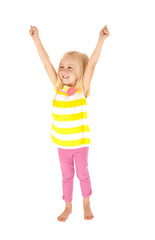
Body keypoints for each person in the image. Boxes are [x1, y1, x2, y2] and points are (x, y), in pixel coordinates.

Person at [29, 25, 110, 222]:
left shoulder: (82, 89)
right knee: (66, 176)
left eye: (70, 67)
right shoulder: (59, 88)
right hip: (62, 145)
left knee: (82, 174)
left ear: (80, 73)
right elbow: (46, 62)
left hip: (80, 145)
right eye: (62, 66)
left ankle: (86, 201)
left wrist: (101, 39)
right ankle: (67, 206)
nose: (63, 71)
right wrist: (36, 39)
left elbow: (92, 64)